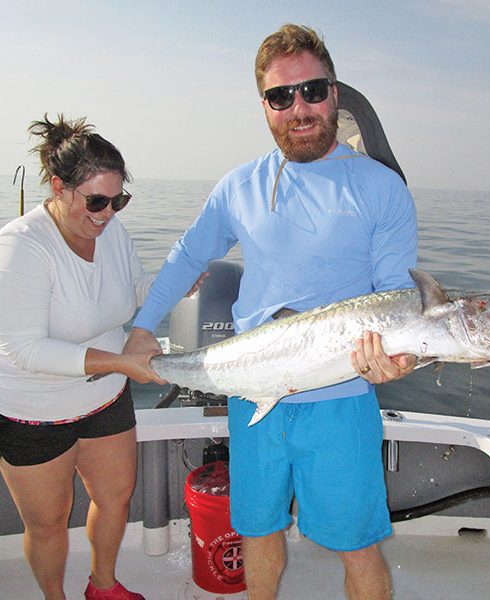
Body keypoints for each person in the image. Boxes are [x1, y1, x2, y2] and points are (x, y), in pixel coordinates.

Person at [127, 24, 418, 600]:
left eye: (311, 90)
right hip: (251, 398)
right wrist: (141, 331)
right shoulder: (240, 186)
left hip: (340, 400)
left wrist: (400, 356)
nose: (298, 108)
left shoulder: (381, 188)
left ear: (335, 92)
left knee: (357, 546)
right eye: (280, 96)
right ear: (264, 105)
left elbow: (396, 296)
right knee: (258, 532)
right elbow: (188, 255)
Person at [0, 115, 167, 600]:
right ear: (59, 187)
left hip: (105, 399)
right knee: (49, 524)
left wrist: (175, 284)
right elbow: (25, 348)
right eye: (96, 200)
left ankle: (103, 585)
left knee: (114, 500)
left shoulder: (111, 230)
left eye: (119, 200)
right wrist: (122, 362)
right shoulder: (21, 246)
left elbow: (137, 285)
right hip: (33, 412)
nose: (108, 213)